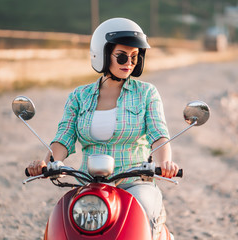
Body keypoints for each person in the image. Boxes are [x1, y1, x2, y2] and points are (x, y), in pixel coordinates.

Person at [26, 17, 179, 237]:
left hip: (135, 184)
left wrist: (165, 162)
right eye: (122, 56)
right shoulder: (79, 96)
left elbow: (159, 135)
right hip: (90, 184)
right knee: (63, 224)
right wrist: (46, 163)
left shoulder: (146, 93)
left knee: (144, 217)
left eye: (135, 57)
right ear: (103, 54)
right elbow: (64, 138)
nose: (129, 62)